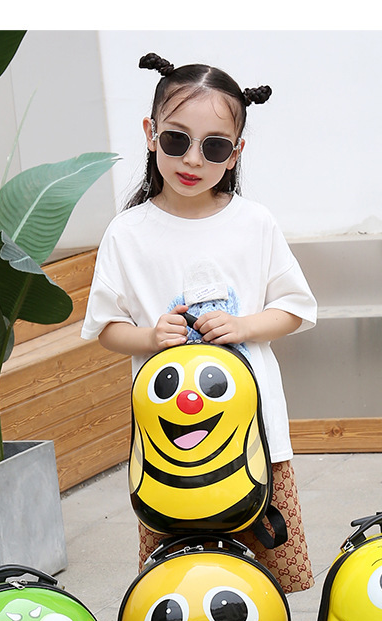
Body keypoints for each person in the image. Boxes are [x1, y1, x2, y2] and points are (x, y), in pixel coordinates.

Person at [81, 51, 318, 593]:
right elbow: (106, 327)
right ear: (150, 134)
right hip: (169, 445)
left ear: (235, 153)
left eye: (213, 147)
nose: (192, 159)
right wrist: (149, 337)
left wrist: (244, 327)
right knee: (174, 583)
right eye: (176, 139)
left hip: (253, 435)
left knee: (265, 580)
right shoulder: (127, 232)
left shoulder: (253, 223)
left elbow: (296, 308)